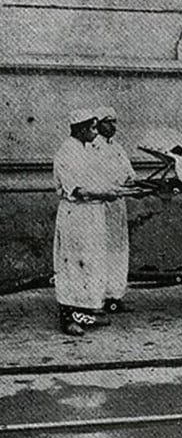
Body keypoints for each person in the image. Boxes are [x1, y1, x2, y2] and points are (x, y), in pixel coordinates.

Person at [53, 109, 117, 336]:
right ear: (80, 129)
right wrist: (105, 194)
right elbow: (78, 190)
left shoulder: (86, 149)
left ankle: (84, 314)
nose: (96, 132)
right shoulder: (67, 152)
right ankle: (67, 319)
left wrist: (111, 190)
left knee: (90, 263)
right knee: (72, 264)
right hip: (76, 215)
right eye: (92, 128)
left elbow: (97, 179)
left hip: (92, 214)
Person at [93, 106, 136, 313]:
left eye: (114, 122)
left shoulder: (117, 148)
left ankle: (115, 296)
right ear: (98, 124)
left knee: (118, 249)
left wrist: (131, 182)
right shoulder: (92, 147)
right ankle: (98, 297)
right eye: (108, 122)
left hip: (118, 204)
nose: (113, 126)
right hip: (100, 204)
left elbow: (129, 173)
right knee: (101, 249)